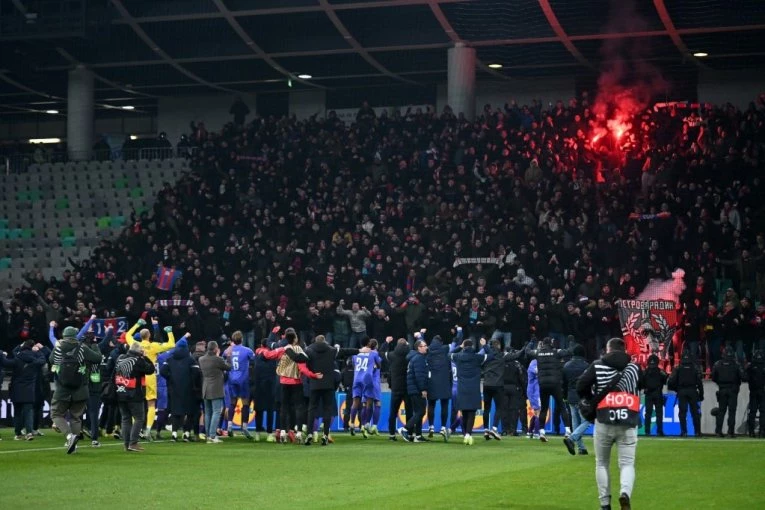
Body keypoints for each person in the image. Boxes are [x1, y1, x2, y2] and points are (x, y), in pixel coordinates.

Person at [577, 338, 642, 510]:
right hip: (627, 420)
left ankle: (605, 504)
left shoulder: (598, 365)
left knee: (601, 463)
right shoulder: (634, 367)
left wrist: (590, 400)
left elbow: (581, 385)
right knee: (627, 463)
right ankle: (625, 492)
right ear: (624, 349)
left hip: (604, 419)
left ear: (608, 349)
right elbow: (643, 386)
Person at [49, 325, 103, 454]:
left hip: (62, 387)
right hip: (81, 388)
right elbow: (98, 358)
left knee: (56, 414)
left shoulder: (59, 347)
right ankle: (74, 444)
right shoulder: (82, 347)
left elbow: (51, 360)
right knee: (76, 417)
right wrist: (94, 344)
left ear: (64, 335)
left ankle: (69, 437)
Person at [124, 318, 176, 440]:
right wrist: (169, 332)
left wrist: (137, 324)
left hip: (137, 376)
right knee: (151, 403)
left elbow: (127, 335)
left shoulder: (135, 344)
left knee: (136, 403)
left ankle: (135, 430)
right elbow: (172, 345)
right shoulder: (153, 346)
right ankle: (147, 430)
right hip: (149, 376)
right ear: (149, 336)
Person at [305, 334, 352, 445]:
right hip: (328, 386)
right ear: (325, 341)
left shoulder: (309, 351)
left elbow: (306, 367)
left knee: (312, 410)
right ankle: (325, 435)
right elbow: (345, 352)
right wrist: (359, 350)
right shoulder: (331, 352)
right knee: (328, 410)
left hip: (315, 384)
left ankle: (310, 434)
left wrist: (310, 381)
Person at [527, 336, 571, 441]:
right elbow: (569, 351)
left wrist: (531, 342)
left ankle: (542, 432)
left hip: (543, 384)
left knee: (544, 408)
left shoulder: (538, 353)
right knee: (562, 407)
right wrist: (571, 342)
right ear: (551, 343)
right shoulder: (555, 352)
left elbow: (528, 351)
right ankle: (568, 431)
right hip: (555, 383)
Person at [115, 341, 156, 452]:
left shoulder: (120, 358)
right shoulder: (137, 361)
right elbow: (151, 370)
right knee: (139, 418)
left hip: (120, 392)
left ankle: (126, 444)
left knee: (125, 419)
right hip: (134, 394)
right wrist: (145, 357)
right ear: (139, 351)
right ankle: (133, 443)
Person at [1, 340, 47, 440]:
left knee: (17, 412)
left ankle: (18, 434)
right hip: (29, 390)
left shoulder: (17, 358)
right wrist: (38, 351)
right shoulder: (35, 360)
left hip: (16, 389)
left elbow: (5, 362)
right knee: (28, 411)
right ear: (31, 348)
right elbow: (43, 359)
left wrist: (1, 354)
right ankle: (29, 433)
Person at [450, 338, 488, 445]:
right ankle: (468, 434)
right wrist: (484, 346)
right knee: (472, 413)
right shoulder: (478, 357)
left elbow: (449, 354)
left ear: (464, 346)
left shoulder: (458, 356)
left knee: (464, 413)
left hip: (461, 389)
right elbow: (491, 355)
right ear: (472, 346)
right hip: (474, 389)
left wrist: (459, 347)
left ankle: (466, 434)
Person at [160, 335, 197, 442]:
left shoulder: (170, 359)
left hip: (174, 389)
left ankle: (174, 434)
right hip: (188, 390)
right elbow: (196, 372)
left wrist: (170, 379)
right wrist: (191, 381)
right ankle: (186, 434)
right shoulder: (190, 360)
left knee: (176, 412)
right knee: (189, 412)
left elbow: (163, 371)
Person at [223, 331, 255, 439]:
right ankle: (245, 427)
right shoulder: (247, 350)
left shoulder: (228, 351)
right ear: (241, 339)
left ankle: (229, 426)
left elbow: (223, 360)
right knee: (245, 403)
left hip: (232, 379)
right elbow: (254, 360)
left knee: (232, 403)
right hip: (243, 380)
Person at [198, 340, 231, 443]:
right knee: (216, 412)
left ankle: (208, 435)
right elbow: (229, 367)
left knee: (207, 413)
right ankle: (212, 436)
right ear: (216, 349)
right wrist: (229, 356)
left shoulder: (201, 359)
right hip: (216, 389)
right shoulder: (218, 359)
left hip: (205, 388)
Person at [667, 349, 704, 437]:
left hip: (682, 392)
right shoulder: (695, 368)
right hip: (693, 391)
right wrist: (701, 395)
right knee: (695, 413)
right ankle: (697, 432)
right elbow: (700, 383)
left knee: (682, 413)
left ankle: (684, 432)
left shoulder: (678, 368)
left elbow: (671, 382)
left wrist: (677, 389)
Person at [562, 344, 591, 455]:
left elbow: (564, 384)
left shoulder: (566, 366)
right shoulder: (587, 366)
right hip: (583, 397)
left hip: (570, 396)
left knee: (575, 422)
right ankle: (572, 439)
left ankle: (581, 448)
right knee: (587, 421)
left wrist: (565, 396)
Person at [711, 345, 745, 437]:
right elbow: (744, 377)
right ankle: (730, 432)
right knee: (732, 412)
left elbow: (713, 377)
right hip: (733, 390)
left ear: (723, 354)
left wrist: (720, 383)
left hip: (722, 389)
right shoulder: (736, 364)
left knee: (721, 411)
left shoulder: (717, 364)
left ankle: (718, 431)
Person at [382, 336, 411, 441]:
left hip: (395, 387)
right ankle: (409, 433)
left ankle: (391, 434)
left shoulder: (392, 355)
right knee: (409, 411)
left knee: (393, 412)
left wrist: (386, 343)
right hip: (407, 387)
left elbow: (381, 352)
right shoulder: (409, 355)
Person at [399, 339, 428, 442]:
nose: (426, 347)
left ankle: (418, 436)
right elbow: (419, 376)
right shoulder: (419, 359)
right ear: (419, 348)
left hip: (412, 389)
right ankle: (405, 429)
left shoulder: (413, 358)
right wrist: (423, 389)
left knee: (418, 412)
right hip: (417, 390)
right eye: (424, 346)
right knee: (421, 411)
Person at [426, 333, 453, 441]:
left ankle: (431, 426)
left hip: (432, 381)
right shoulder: (445, 350)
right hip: (444, 382)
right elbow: (456, 343)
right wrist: (459, 331)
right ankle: (442, 427)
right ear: (441, 342)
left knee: (431, 405)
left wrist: (421, 336)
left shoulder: (428, 351)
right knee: (444, 405)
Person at [481, 339, 506, 440]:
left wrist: (484, 345)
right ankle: (494, 429)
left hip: (486, 384)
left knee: (486, 408)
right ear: (499, 346)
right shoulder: (502, 356)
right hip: (497, 385)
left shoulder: (487, 355)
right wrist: (524, 349)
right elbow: (515, 356)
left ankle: (486, 430)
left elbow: (480, 365)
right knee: (499, 407)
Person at [501, 347, 526, 436]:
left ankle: (504, 430)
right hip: (514, 388)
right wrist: (523, 390)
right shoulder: (517, 364)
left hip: (503, 388)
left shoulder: (501, 361)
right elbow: (521, 378)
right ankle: (513, 430)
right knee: (514, 410)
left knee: (504, 410)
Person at [642, 354, 668, 437]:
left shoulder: (645, 372)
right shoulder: (661, 372)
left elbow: (641, 383)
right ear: (657, 362)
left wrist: (646, 387)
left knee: (648, 414)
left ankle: (647, 431)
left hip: (648, 394)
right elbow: (665, 381)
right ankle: (659, 431)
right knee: (659, 413)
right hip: (657, 394)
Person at [746, 350, 765, 437]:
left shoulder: (750, 366)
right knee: (763, 412)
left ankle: (751, 432)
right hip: (763, 391)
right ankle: (762, 431)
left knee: (752, 412)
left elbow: (745, 377)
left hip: (753, 391)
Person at [527, 358, 542, 439]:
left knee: (536, 412)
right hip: (535, 391)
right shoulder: (534, 362)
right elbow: (536, 371)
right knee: (538, 412)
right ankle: (536, 433)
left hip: (532, 390)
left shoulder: (533, 362)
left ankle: (530, 431)